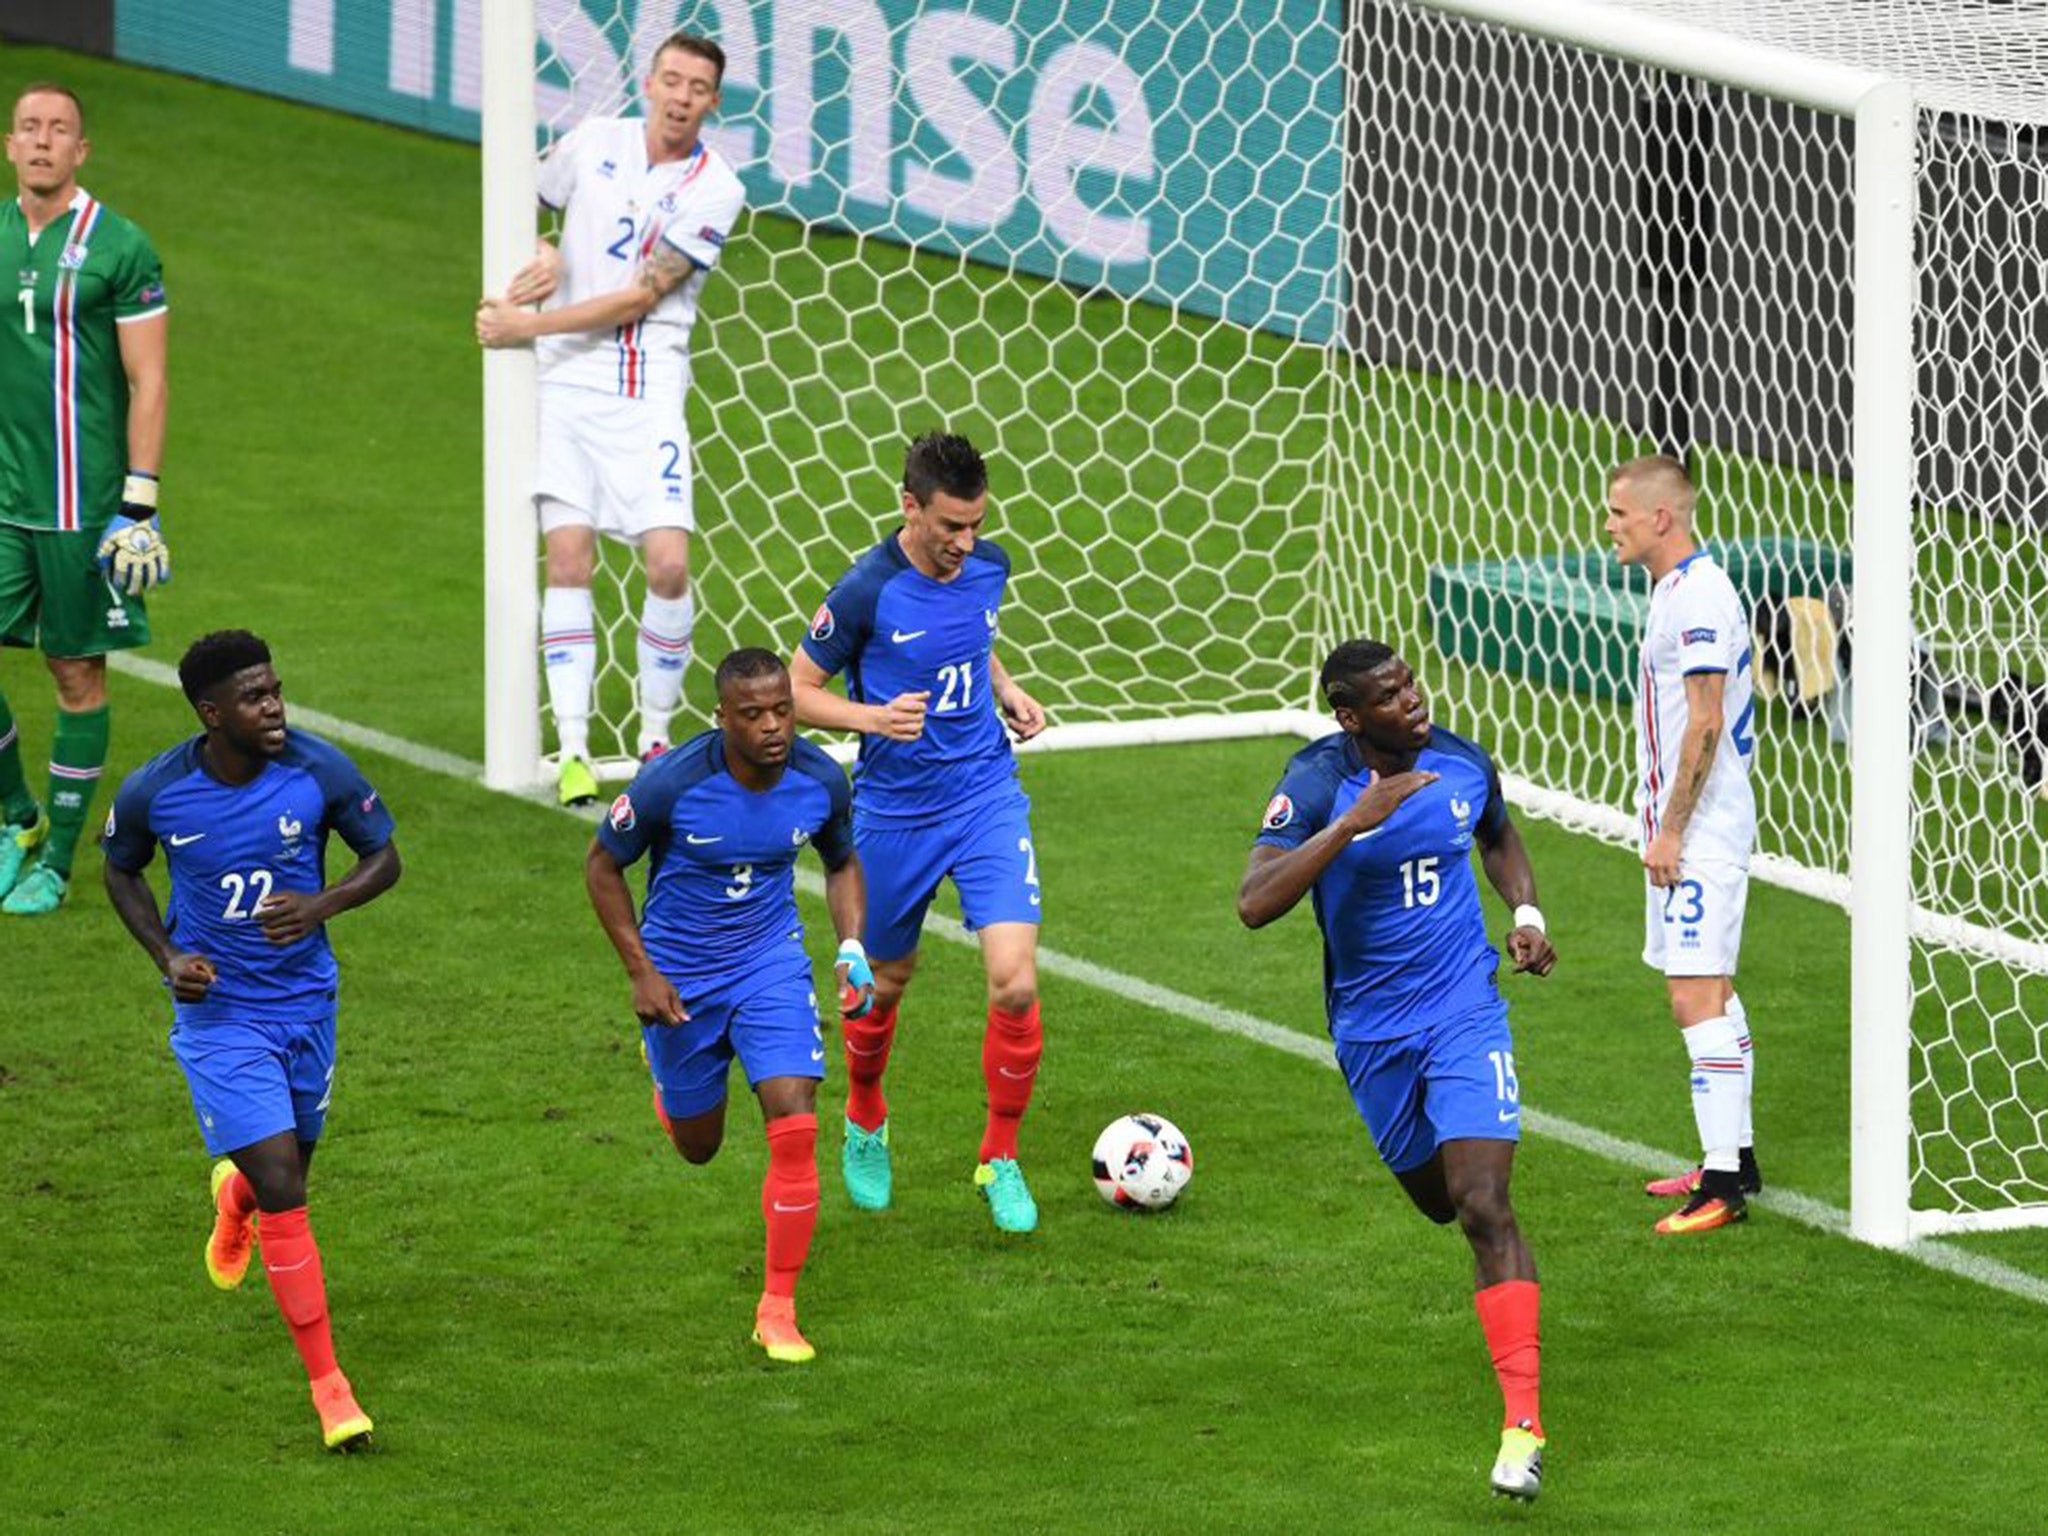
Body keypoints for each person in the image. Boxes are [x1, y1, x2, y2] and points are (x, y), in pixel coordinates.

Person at [1237, 640, 1557, 1502]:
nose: (1414, 701)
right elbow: (1254, 904)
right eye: (1390, 695)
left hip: (1464, 1006)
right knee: (1437, 1202)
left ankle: (1521, 1427)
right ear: (1351, 717)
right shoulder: (1313, 782)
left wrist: (1523, 909)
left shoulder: (1460, 760)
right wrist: (1351, 825)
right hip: (1373, 1032)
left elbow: (1498, 834)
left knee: (1485, 1203)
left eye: (1412, 683)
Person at [101, 630, 401, 1451]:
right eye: (255, 698)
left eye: (276, 691)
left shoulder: (317, 768)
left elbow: (385, 857)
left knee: (289, 1166)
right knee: (286, 1187)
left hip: (306, 1004)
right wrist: (167, 956)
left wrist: (322, 904)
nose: (275, 708)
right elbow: (120, 868)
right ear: (211, 713)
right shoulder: (156, 791)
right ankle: (332, 1391)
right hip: (221, 1015)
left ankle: (232, 1199)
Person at [789, 432, 1049, 1234]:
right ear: (910, 506)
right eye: (949, 528)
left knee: (1014, 980)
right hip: (895, 813)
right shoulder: (866, 590)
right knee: (885, 983)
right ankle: (866, 1115)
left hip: (984, 795)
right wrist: (871, 718)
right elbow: (795, 691)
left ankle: (998, 1155)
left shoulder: (990, 565)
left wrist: (1006, 688)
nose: (964, 544)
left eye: (975, 526)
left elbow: (977, 634)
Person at [477, 32, 745, 804]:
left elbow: (639, 296)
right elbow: (516, 188)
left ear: (713, 101)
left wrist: (525, 326)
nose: (681, 96)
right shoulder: (595, 141)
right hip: (565, 385)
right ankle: (571, 750)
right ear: (650, 80)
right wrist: (546, 248)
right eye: (671, 79)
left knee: (667, 563)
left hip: (646, 382)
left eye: (698, 87)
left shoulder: (714, 187)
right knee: (569, 558)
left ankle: (655, 737)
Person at [585, 648, 873, 1363]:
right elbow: (601, 867)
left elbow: (841, 861)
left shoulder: (818, 779)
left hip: (769, 962)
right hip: (681, 977)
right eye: (754, 715)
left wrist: (853, 946)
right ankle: (671, 1091)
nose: (774, 726)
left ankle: (777, 1307)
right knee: (698, 1145)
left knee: (796, 1119)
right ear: (722, 718)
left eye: (782, 709)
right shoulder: (671, 783)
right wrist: (642, 973)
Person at [1, 81, 169, 914]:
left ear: (81, 151)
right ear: (9, 144)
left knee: (75, 673)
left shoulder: (121, 246)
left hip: (79, 503)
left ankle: (57, 861)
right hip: (2, 491)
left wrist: (138, 500)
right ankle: (17, 817)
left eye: (58, 129)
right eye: (28, 127)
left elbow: (150, 378)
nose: (42, 141)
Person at [1606, 455, 1761, 1234]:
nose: (1610, 528)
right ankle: (1735, 1155)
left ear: (1661, 517)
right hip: (1687, 825)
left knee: (1692, 997)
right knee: (1714, 994)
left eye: (1620, 515)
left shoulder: (1699, 594)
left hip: (1702, 830)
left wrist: (1671, 829)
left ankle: (1724, 1190)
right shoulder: (1677, 590)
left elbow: (1705, 719)